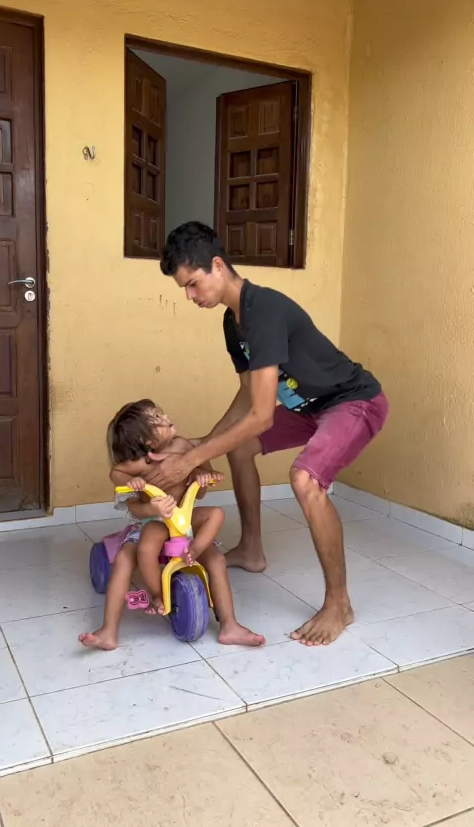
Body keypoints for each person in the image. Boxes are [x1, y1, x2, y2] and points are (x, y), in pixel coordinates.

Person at [139, 221, 389, 648]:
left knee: (305, 479)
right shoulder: (233, 323)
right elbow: (249, 395)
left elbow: (259, 416)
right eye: (184, 288)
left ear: (218, 266)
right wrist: (201, 446)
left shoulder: (265, 310)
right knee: (238, 450)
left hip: (353, 401)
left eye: (193, 283)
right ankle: (252, 550)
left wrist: (190, 459)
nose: (190, 296)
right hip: (309, 407)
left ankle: (339, 604)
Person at [79, 398, 265, 650]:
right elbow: (117, 475)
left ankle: (228, 624)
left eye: (162, 414)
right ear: (146, 441)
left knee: (216, 538)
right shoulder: (142, 463)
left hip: (184, 521)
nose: (166, 418)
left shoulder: (185, 446)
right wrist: (137, 487)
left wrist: (202, 475)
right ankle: (117, 624)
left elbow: (202, 483)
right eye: (157, 419)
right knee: (130, 556)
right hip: (155, 521)